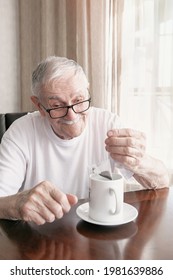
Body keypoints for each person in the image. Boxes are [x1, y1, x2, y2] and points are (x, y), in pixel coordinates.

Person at [0, 56, 169, 225]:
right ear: (39, 106)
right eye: (57, 105)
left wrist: (137, 160)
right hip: (37, 239)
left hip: (98, 235)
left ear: (87, 91)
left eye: (79, 100)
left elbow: (162, 182)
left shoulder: (108, 124)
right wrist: (18, 203)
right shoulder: (20, 132)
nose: (72, 115)